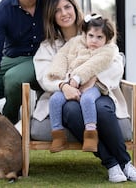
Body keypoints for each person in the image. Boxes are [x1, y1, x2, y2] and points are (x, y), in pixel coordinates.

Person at [33, 0, 136, 183]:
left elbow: (115, 61)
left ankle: (126, 164)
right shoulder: (48, 46)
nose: (64, 13)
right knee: (71, 111)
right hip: (65, 97)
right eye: (57, 10)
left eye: (67, 7)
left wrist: (93, 78)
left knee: (101, 110)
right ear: (51, 15)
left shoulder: (96, 31)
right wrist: (63, 86)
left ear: (75, 8)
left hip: (99, 91)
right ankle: (112, 164)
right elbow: (45, 76)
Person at [46, 13, 118, 153]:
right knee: (55, 99)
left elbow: (92, 65)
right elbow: (62, 55)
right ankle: (58, 135)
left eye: (99, 37)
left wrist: (77, 78)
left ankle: (91, 134)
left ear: (107, 39)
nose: (94, 40)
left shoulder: (107, 50)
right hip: (70, 83)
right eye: (91, 36)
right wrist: (58, 73)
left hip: (93, 85)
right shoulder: (76, 43)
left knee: (87, 98)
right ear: (85, 34)